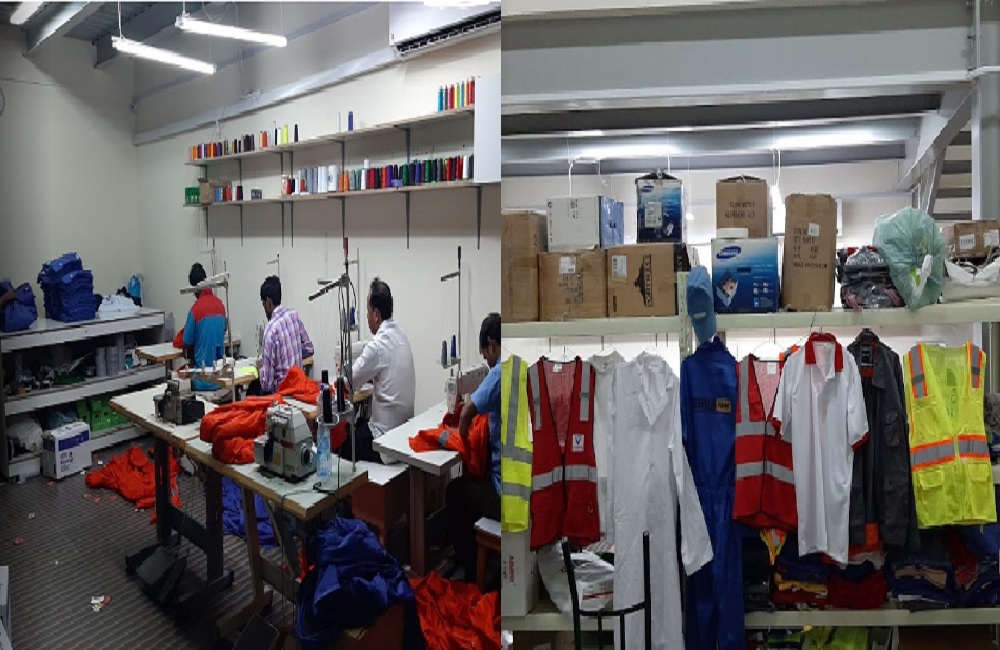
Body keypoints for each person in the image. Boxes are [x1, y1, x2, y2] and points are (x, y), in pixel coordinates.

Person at [446, 312, 502, 584]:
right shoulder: (519, 366)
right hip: (523, 489)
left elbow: (467, 412)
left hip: (504, 495)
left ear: (491, 345)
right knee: (469, 485)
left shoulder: (500, 371)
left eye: (486, 355)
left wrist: (462, 440)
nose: (487, 363)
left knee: (454, 492)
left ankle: (469, 570)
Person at [338, 278, 416, 464]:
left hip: (385, 441)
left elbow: (348, 381)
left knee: (341, 445)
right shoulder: (402, 335)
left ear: (376, 314)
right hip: (403, 434)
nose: (366, 317)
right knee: (361, 424)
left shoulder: (377, 346)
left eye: (367, 311)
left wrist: (344, 366)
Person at [257, 276, 314, 394]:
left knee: (253, 391)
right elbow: (309, 349)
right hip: (300, 390)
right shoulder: (294, 316)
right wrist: (293, 354)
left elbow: (267, 384)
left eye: (263, 304)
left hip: (283, 396)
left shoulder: (270, 331)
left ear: (268, 302)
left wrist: (260, 369)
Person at [182, 263, 227, 392]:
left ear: (196, 289)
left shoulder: (195, 310)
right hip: (220, 378)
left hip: (202, 381)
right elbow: (223, 329)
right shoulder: (221, 306)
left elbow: (186, 341)